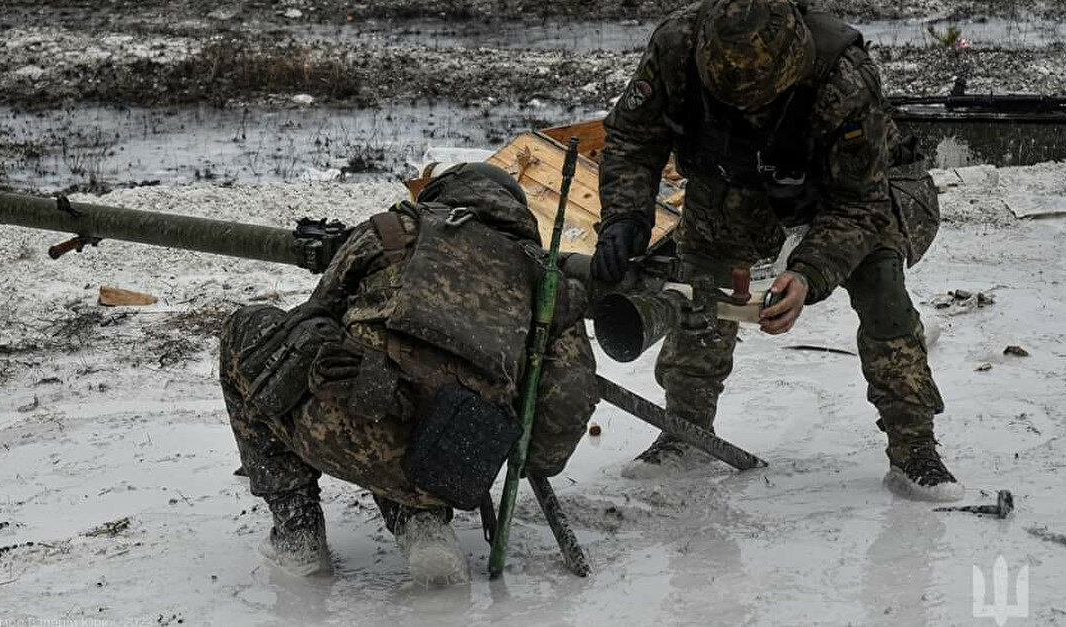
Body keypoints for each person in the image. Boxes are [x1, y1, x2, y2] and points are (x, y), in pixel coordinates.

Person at [593, 0, 962, 501]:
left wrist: (809, 273)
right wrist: (625, 216)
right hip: (733, 184)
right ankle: (686, 433)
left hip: (851, 190)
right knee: (700, 283)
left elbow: (860, 201)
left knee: (881, 288)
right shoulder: (676, 46)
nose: (748, 114)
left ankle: (914, 447)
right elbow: (633, 139)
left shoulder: (843, 78)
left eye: (760, 105)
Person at [220, 163, 599, 584]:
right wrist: (522, 457)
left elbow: (314, 319)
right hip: (453, 467)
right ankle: (424, 526)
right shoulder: (550, 286)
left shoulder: (390, 229)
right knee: (434, 396)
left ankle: (298, 534)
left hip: (341, 428)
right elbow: (569, 400)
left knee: (250, 328)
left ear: (440, 193)